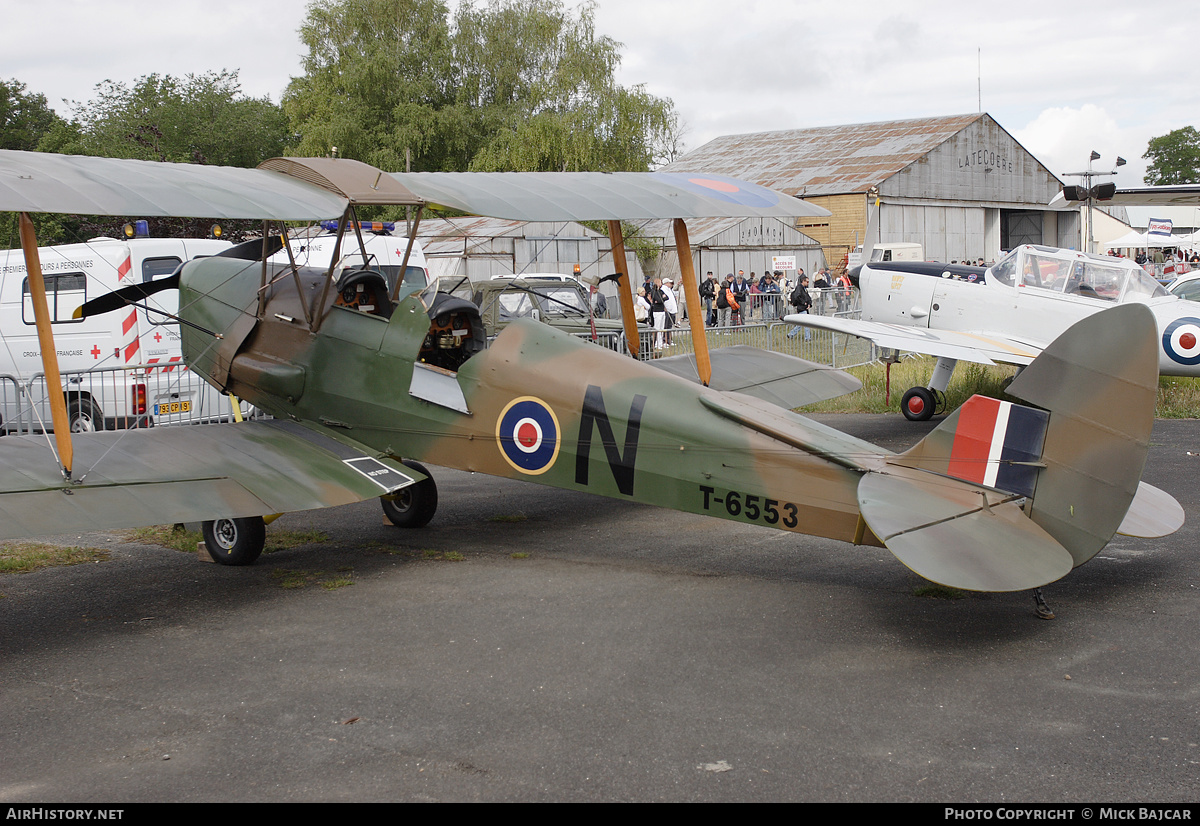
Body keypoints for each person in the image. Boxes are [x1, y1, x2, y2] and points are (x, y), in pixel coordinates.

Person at [787, 273, 813, 340]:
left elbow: (808, 297)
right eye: (807, 282)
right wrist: (804, 303)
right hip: (801, 308)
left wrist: (809, 304)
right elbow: (797, 297)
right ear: (803, 281)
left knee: (801, 324)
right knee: (805, 323)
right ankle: (807, 337)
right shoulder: (799, 288)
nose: (808, 283)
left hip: (804, 308)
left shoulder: (804, 289)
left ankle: (791, 334)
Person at [661, 277, 678, 346]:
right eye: (669, 283)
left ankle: (669, 340)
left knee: (669, 326)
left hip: (672, 310)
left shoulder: (670, 290)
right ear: (666, 283)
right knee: (666, 326)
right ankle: (665, 340)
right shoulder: (663, 290)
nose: (671, 284)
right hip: (667, 310)